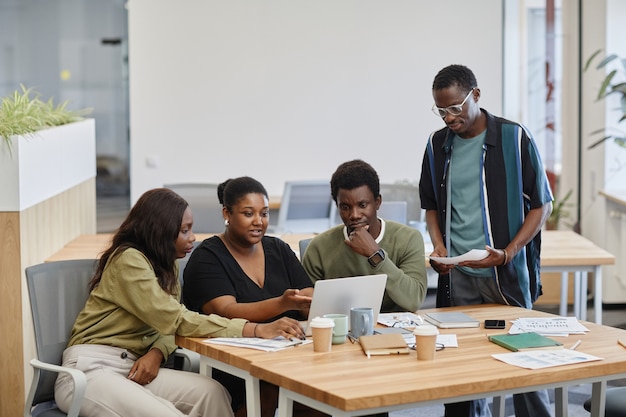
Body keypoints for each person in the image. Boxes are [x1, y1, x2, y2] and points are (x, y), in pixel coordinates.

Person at [54, 188, 304, 417]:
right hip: (90, 370)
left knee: (212, 393)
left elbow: (169, 323)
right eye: (184, 230)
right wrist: (255, 329)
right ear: (159, 230)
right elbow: (175, 319)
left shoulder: (167, 265)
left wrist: (157, 352)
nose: (193, 237)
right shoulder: (128, 260)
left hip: (131, 366)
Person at [419, 64, 554, 417]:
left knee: (526, 363)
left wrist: (508, 253)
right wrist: (438, 245)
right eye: (441, 110)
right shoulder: (437, 146)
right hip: (458, 275)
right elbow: (431, 206)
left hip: (505, 275)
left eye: (455, 107)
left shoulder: (514, 138)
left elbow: (542, 206)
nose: (449, 117)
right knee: (463, 368)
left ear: (475, 95)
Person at [182, 176, 317, 417]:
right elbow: (226, 310)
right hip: (232, 358)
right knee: (271, 385)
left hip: (289, 354)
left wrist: (311, 303)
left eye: (264, 214)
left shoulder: (279, 249)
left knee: (326, 389)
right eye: (248, 214)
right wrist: (282, 303)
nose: (259, 222)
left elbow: (305, 292)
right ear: (227, 213)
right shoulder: (207, 257)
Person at [302, 159, 428, 315]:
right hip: (339, 330)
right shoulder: (318, 248)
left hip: (396, 332)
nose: (354, 215)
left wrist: (375, 254)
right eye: (345, 207)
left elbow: (414, 300)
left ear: (377, 202)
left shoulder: (408, 238)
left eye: (362, 205)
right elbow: (306, 309)